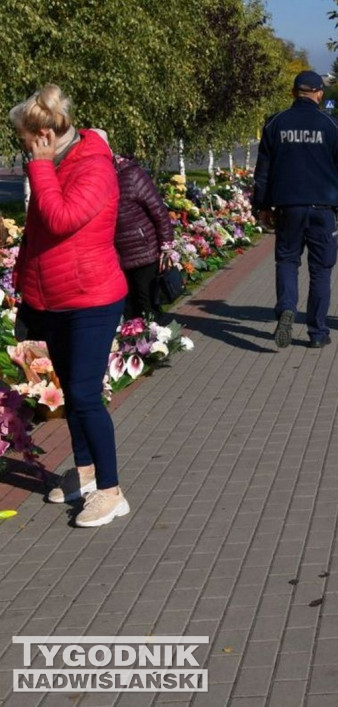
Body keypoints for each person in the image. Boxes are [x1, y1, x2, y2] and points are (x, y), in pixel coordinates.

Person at [9, 84, 129, 527]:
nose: (21, 145)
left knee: (83, 395)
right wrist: (24, 286)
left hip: (92, 299)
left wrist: (39, 169)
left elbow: (60, 220)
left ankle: (111, 491)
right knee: (73, 397)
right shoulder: (56, 164)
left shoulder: (92, 167)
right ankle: (84, 474)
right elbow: (38, 236)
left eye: (24, 138)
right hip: (55, 297)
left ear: (42, 135)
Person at [253, 70, 338, 349]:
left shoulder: (275, 124)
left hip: (288, 206)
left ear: (293, 92)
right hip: (323, 208)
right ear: (319, 94)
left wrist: (262, 206)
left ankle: (287, 308)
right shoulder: (333, 125)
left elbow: (262, 172)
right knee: (321, 270)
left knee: (288, 261)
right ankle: (317, 332)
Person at [113, 155, 174, 320]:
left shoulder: (131, 175)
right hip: (117, 257)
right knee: (129, 309)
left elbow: (158, 210)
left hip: (143, 252)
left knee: (147, 305)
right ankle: (135, 343)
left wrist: (166, 245)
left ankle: (157, 343)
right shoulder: (97, 180)